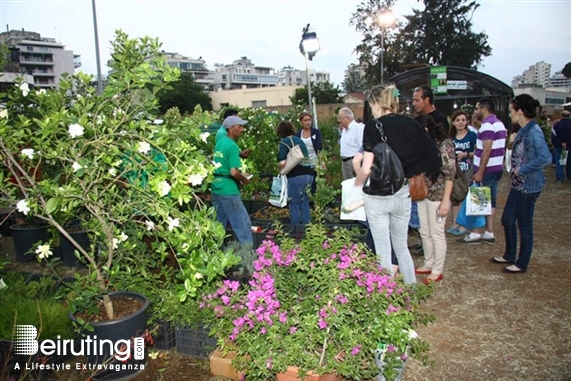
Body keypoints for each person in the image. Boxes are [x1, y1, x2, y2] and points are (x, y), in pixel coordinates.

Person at [355, 83, 441, 284]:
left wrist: (357, 179)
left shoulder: (373, 127)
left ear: (376, 103)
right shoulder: (411, 123)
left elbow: (366, 169)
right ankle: (411, 293)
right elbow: (433, 155)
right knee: (401, 247)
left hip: (378, 196)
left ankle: (387, 299)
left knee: (383, 249)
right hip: (402, 192)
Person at [490, 94, 551, 273]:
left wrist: (522, 170)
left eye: (512, 111)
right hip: (518, 185)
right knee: (508, 219)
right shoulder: (525, 131)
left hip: (528, 186)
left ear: (520, 111)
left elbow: (545, 157)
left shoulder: (534, 131)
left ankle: (521, 262)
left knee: (524, 225)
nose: (510, 115)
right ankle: (509, 254)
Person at [457, 98, 507, 244]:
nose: (475, 111)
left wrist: (479, 172)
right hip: (496, 167)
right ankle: (489, 231)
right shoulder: (499, 123)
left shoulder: (487, 125)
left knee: (479, 199)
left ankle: (476, 232)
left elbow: (487, 149)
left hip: (487, 169)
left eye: (477, 108)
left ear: (484, 109)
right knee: (490, 201)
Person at [413, 115, 455, 284]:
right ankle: (428, 262)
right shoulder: (422, 145)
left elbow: (450, 173)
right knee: (424, 230)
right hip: (423, 193)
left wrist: (446, 200)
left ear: (425, 129)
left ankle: (437, 269)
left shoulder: (444, 144)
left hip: (438, 194)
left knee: (437, 232)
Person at [211, 116, 253, 245]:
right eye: (239, 126)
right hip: (229, 189)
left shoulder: (220, 142)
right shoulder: (232, 146)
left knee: (218, 223)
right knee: (242, 223)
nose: (242, 129)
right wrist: (244, 179)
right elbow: (234, 172)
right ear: (230, 128)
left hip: (216, 186)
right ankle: (249, 256)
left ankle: (215, 253)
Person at [277, 121, 316, 225]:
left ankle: (296, 230)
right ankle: (307, 229)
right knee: (304, 202)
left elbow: (282, 162)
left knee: (294, 203)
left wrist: (280, 169)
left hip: (295, 175)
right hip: (309, 174)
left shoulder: (284, 142)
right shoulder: (300, 140)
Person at [446, 110, 477, 236]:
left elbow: (478, 152)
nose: (460, 122)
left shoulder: (472, 136)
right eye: (458, 120)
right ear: (453, 122)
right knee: (455, 197)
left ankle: (464, 225)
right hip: (456, 171)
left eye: (463, 120)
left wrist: (467, 154)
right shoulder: (451, 137)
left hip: (468, 170)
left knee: (466, 197)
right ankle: (455, 223)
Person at [338, 107, 364, 180]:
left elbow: (363, 147)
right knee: (347, 186)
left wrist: (357, 164)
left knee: (355, 185)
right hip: (345, 162)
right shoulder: (344, 130)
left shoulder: (358, 129)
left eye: (340, 118)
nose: (339, 120)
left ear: (347, 118)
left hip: (353, 161)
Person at [551, 110, 571, 183]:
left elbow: (553, 136)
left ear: (561, 116)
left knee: (559, 162)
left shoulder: (556, 125)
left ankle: (560, 178)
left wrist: (560, 143)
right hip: (569, 146)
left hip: (559, 146)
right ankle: (569, 176)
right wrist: (567, 142)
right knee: (570, 162)